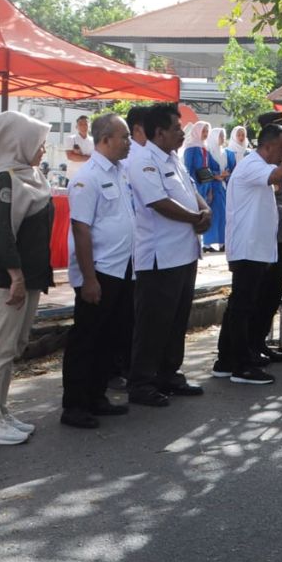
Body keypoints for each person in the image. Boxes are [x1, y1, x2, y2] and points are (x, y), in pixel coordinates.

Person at [0, 111, 54, 445]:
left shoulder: (30, 177)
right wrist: (15, 276)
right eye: (38, 143)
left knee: (12, 347)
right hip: (3, 276)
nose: (43, 149)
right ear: (19, 142)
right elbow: (2, 233)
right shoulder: (4, 179)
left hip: (26, 277)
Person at [214, 124, 282, 384]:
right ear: (268, 146)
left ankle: (228, 360)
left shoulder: (259, 167)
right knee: (242, 307)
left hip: (258, 248)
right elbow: (279, 174)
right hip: (247, 247)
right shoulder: (253, 165)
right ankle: (240, 366)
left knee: (244, 306)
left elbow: (263, 204)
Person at [126, 102, 210, 407]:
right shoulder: (143, 160)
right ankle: (142, 382)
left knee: (176, 320)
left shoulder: (173, 158)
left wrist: (205, 209)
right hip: (159, 257)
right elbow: (158, 201)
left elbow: (190, 190)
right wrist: (195, 218)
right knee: (153, 323)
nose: (181, 133)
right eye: (176, 128)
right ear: (159, 132)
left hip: (184, 252)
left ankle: (169, 374)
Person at [61, 113, 134, 429]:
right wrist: (89, 278)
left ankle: (96, 396)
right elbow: (81, 230)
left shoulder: (120, 171)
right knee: (86, 339)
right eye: (124, 137)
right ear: (105, 140)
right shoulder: (87, 177)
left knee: (110, 337)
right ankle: (75, 406)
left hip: (122, 268)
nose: (129, 143)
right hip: (99, 270)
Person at [182, 121, 220, 249]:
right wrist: (190, 186)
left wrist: (211, 187)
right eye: (203, 131)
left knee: (204, 214)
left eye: (207, 131)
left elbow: (211, 167)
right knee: (195, 214)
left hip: (205, 185)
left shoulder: (205, 148)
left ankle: (202, 244)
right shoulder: (190, 148)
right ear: (197, 131)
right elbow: (187, 168)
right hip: (195, 186)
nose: (205, 134)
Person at [203, 125, 234, 252]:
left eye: (224, 136)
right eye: (221, 136)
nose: (223, 138)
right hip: (213, 187)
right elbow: (205, 170)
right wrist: (216, 175)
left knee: (223, 215)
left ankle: (222, 242)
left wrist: (226, 174)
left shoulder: (225, 153)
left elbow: (229, 168)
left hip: (223, 186)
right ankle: (207, 244)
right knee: (213, 215)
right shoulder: (208, 153)